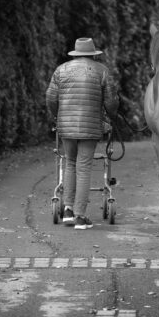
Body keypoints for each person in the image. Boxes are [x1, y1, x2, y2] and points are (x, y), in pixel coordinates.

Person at [46, 37, 119, 230]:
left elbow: (51, 98)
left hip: (66, 126)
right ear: (93, 54)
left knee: (70, 163)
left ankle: (68, 211)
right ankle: (81, 216)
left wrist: (57, 117)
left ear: (76, 53)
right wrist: (112, 116)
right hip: (90, 126)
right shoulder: (101, 71)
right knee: (84, 166)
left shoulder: (61, 70)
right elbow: (111, 102)